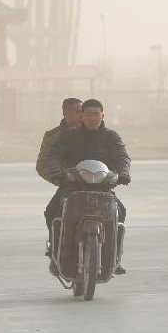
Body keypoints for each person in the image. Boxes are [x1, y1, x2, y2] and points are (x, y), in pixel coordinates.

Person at [47, 98, 130, 275]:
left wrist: (124, 173)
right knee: (52, 211)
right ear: (82, 116)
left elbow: (122, 157)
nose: (93, 118)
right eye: (88, 114)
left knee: (120, 213)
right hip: (72, 187)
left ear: (103, 116)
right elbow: (55, 155)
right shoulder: (69, 136)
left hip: (103, 188)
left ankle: (115, 257)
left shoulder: (111, 137)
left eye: (96, 114)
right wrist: (56, 172)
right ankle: (55, 255)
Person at [35, 97, 83, 185]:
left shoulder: (92, 131)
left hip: (94, 182)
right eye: (78, 111)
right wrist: (61, 181)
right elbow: (41, 166)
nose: (82, 115)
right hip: (69, 186)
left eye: (83, 111)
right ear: (65, 113)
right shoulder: (52, 136)